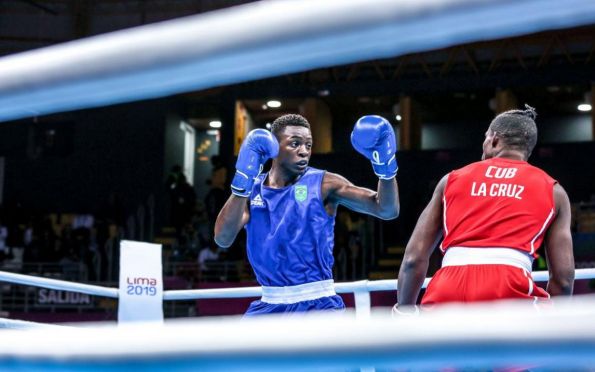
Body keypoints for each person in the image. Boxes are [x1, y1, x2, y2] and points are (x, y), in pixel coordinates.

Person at [395, 105, 574, 314]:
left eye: (485, 137)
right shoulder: (553, 191)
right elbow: (563, 278)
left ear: (494, 140)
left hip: (447, 288)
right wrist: (555, 321)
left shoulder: (451, 180)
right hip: (511, 287)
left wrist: (404, 311)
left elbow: (413, 258)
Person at [215, 114, 400, 315]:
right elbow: (223, 238)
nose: (304, 151)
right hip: (268, 304)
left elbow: (386, 209)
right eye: (295, 144)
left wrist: (386, 168)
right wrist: (242, 183)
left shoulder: (325, 184)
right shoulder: (253, 189)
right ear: (273, 147)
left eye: (308, 145)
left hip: (318, 303)